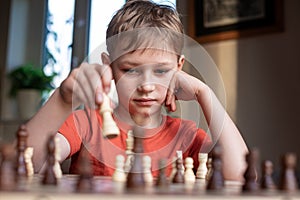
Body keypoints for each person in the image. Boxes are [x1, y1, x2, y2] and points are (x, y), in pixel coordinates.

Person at [26, 0, 248, 181]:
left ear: (178, 68)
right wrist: (63, 99)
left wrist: (203, 92)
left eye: (161, 71)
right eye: (130, 70)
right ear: (109, 66)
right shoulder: (86, 124)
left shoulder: (185, 135)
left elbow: (241, 175)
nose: (147, 86)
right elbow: (29, 164)